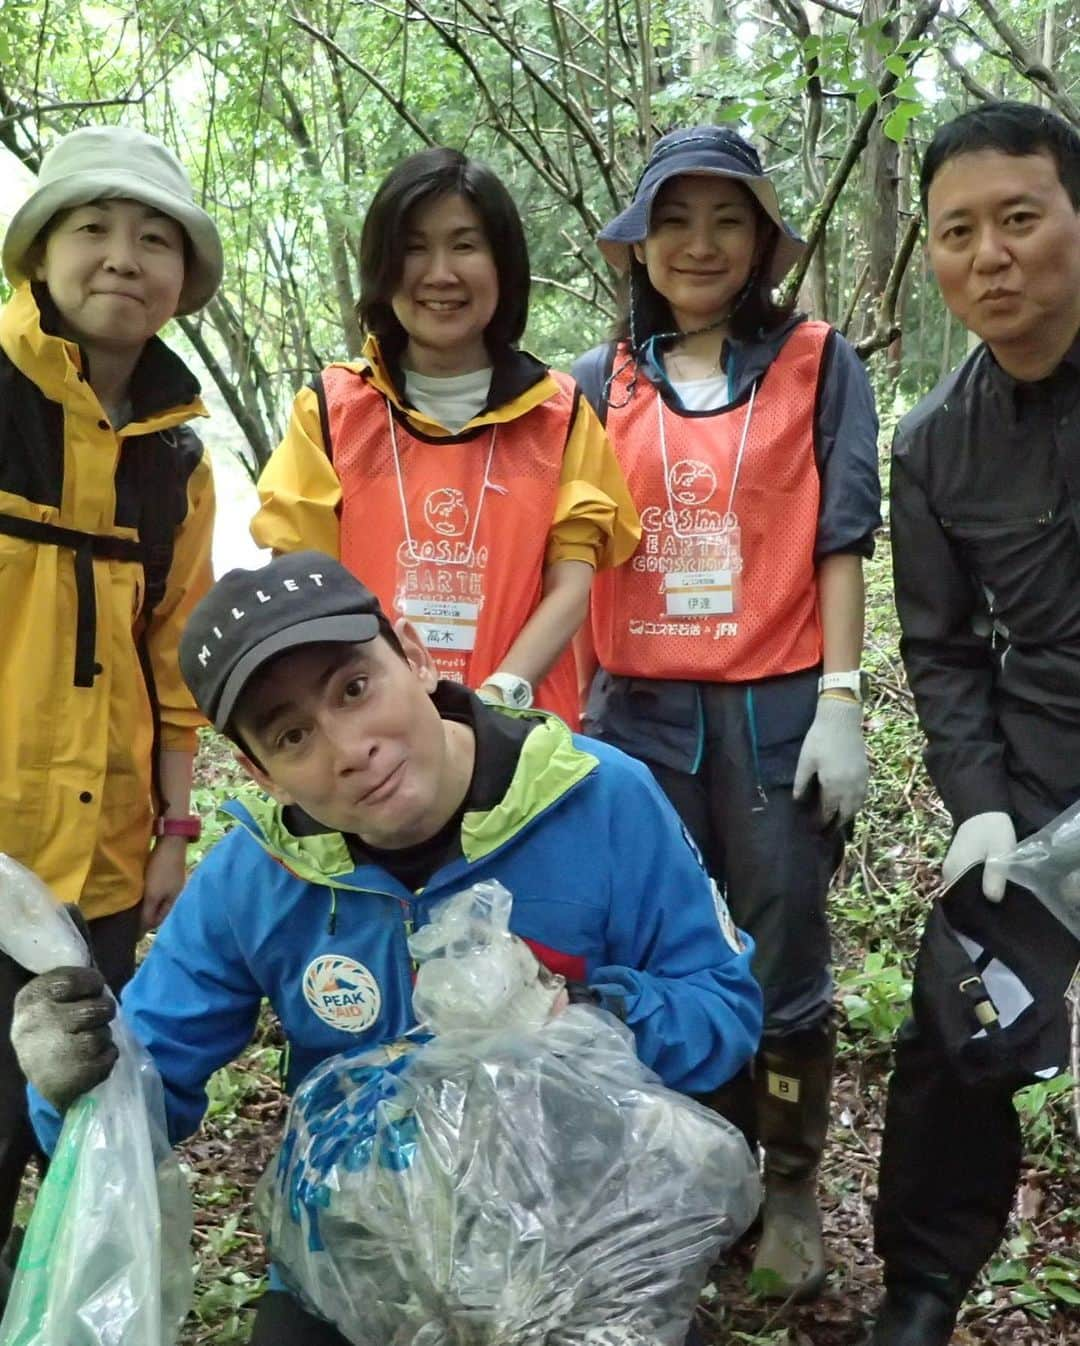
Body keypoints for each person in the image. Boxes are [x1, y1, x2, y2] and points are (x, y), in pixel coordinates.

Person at [11, 551, 763, 1346]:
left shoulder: (597, 798)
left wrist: (588, 1017)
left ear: (413, 653)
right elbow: (143, 1085)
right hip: (357, 1248)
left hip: (577, 1233)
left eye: (355, 688)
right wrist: (74, 1084)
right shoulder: (253, 880)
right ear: (260, 771)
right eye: (293, 734)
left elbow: (722, 1008)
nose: (349, 747)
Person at [571, 126, 881, 1300]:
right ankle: (702, 1173)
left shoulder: (816, 360)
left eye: (728, 219)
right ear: (640, 242)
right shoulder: (594, 386)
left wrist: (842, 698)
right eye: (676, 218)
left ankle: (793, 1184)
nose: (700, 243)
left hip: (776, 705)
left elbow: (841, 533)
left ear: (760, 241)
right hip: (637, 710)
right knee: (654, 949)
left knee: (783, 949)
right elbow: (558, 560)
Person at [866, 102, 1080, 1346]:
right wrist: (982, 799)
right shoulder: (936, 441)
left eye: (1018, 218)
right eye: (957, 232)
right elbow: (939, 647)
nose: (989, 256)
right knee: (960, 1008)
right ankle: (924, 1287)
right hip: (1041, 769)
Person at [0, 124, 222, 1302]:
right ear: (40, 249)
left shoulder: (177, 461)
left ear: (185, 275)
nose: (121, 257)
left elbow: (173, 669)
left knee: (83, 1128)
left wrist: (176, 835)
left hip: (105, 866)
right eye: (92, 226)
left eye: (154, 237)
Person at [251, 148, 639, 729]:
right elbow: (306, 587)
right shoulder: (331, 412)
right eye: (413, 247)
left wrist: (499, 699)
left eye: (465, 244)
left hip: (522, 736)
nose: (440, 273)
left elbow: (571, 584)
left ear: (502, 263)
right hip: (374, 738)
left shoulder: (558, 414)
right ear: (382, 266)